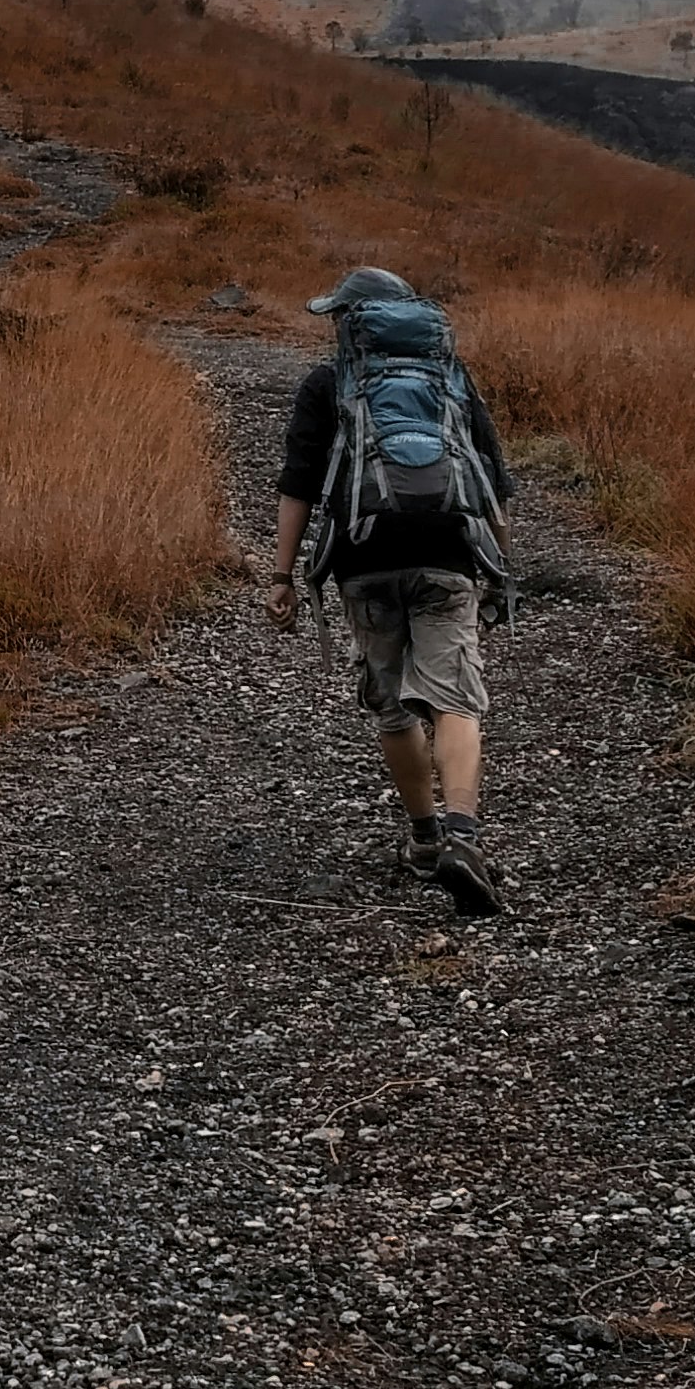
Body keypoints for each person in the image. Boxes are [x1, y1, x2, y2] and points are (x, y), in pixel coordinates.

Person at [264, 264, 515, 916]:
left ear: (354, 326)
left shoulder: (326, 384)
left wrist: (282, 575)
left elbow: (298, 483)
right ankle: (465, 837)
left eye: (339, 319)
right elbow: (492, 483)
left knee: (394, 706)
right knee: (456, 696)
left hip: (363, 555)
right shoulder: (449, 378)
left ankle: (426, 839)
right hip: (447, 551)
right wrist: (500, 571)